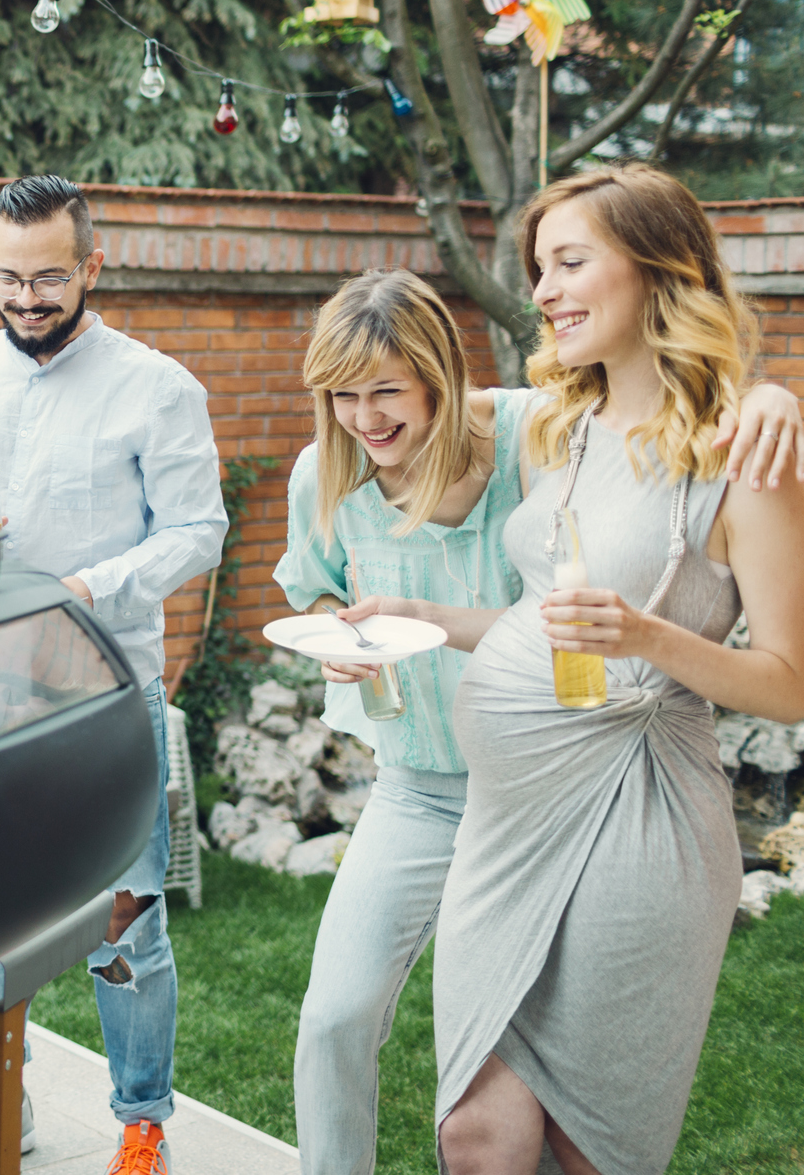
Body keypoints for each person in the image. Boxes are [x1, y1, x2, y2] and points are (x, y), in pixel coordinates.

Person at [274, 268, 800, 1174]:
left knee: (552, 1090)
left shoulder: (529, 431)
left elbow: (649, 404)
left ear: (439, 374)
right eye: (342, 396)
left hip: (556, 795)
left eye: (385, 392)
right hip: (418, 792)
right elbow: (314, 581)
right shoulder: (325, 472)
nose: (364, 418)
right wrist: (335, 629)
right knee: (333, 1015)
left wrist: (770, 393)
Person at [424, 165, 804, 1175]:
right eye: (538, 268)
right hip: (508, 828)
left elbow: (789, 679)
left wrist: (648, 638)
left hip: (641, 822)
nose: (543, 290)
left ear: (657, 268)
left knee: (584, 1140)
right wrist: (415, 615)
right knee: (476, 1130)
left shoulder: (744, 453)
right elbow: (389, 403)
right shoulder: (562, 425)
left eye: (570, 262)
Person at [0, 174, 226, 1175]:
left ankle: (142, 1120)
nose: (26, 298)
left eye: (46, 278)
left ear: (91, 265)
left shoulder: (157, 387)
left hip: (107, 690)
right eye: (6, 278)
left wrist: (95, 583)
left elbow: (199, 530)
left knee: (127, 923)